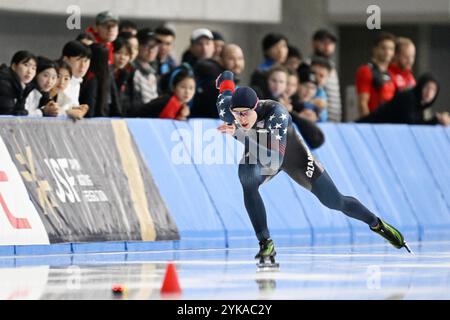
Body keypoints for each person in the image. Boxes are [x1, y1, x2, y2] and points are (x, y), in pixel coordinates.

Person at [215, 70, 411, 263]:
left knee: (334, 201)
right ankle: (265, 242)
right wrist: (226, 77)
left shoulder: (276, 114)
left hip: (292, 156)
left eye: (246, 113)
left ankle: (377, 224)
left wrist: (239, 134)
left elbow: (273, 159)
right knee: (247, 177)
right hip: (259, 149)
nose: (241, 119)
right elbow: (226, 88)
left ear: (255, 107)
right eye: (237, 114)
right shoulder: (227, 110)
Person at [357, 73, 450, 126]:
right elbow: (411, 125)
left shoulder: (419, 107)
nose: (429, 93)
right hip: (364, 126)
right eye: (427, 88)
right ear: (420, 87)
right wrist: (435, 120)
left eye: (434, 90)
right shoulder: (408, 97)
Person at [190, 43, 245, 118]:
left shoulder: (230, 80)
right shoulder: (215, 81)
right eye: (231, 59)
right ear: (221, 60)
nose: (237, 63)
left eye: (240, 58)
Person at [356, 32, 397, 117]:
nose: (387, 52)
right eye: (383, 48)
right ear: (375, 49)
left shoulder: (391, 75)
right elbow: (362, 103)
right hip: (374, 123)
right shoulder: (366, 70)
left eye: (391, 49)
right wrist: (368, 125)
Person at [311, 29, 342, 122]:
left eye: (331, 43)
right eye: (324, 42)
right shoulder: (308, 65)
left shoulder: (332, 66)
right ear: (314, 43)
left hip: (335, 119)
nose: (327, 46)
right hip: (319, 119)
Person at [0, 51, 37, 115]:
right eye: (26, 65)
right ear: (14, 66)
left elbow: (19, 109)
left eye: (33, 68)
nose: (30, 71)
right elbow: (6, 112)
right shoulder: (4, 82)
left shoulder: (24, 86)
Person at [132, 28, 159, 106]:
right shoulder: (131, 70)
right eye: (146, 45)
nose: (151, 50)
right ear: (137, 46)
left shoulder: (154, 71)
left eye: (154, 46)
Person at [61, 40, 92, 107]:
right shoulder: (58, 81)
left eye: (86, 61)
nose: (83, 65)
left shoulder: (77, 82)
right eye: (78, 60)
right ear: (66, 59)